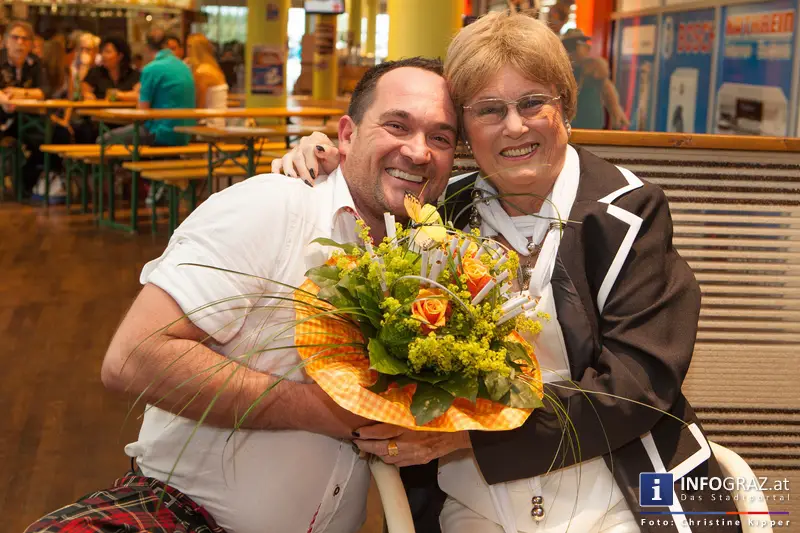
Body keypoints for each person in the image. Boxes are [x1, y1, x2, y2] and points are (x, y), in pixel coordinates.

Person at [274, 11, 738, 533]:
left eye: (533, 103)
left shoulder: (629, 213)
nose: (514, 126)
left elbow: (640, 384)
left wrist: (475, 436)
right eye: (489, 110)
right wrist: (329, 153)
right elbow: (373, 179)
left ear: (565, 107)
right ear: (466, 129)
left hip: (616, 479)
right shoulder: (439, 208)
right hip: (472, 494)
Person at [24, 56, 458, 533]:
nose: (419, 152)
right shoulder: (274, 205)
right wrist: (329, 412)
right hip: (184, 517)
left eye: (440, 137)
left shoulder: (430, 258)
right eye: (397, 125)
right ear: (348, 135)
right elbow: (133, 357)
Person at [100, 28, 195, 147]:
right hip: (185, 134)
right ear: (166, 44)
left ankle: (122, 166)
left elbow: (142, 112)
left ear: (147, 47)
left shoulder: (151, 69)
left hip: (161, 133)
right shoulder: (184, 67)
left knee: (103, 140)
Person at [0, 20, 46, 197]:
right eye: (15, 38)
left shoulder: (34, 64)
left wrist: (19, 92)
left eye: (25, 39)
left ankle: (28, 180)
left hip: (29, 118)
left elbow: (43, 91)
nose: (20, 43)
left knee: (56, 135)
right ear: (5, 41)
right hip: (4, 119)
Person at [561, 28, 628, 130]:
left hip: (591, 124)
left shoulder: (594, 67)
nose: (574, 50)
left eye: (578, 44)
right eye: (570, 45)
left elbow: (607, 89)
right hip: (568, 125)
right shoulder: (560, 69)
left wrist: (616, 110)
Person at [185, 33, 228, 128]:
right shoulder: (213, 68)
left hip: (210, 124)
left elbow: (199, 105)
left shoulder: (201, 72)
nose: (186, 50)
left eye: (189, 46)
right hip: (220, 121)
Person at [82, 35, 140, 101]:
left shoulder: (134, 75)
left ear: (120, 56)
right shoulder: (94, 73)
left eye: (108, 52)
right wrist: (88, 96)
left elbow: (139, 96)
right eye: (102, 52)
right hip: (99, 110)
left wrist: (118, 95)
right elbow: (84, 93)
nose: (103, 55)